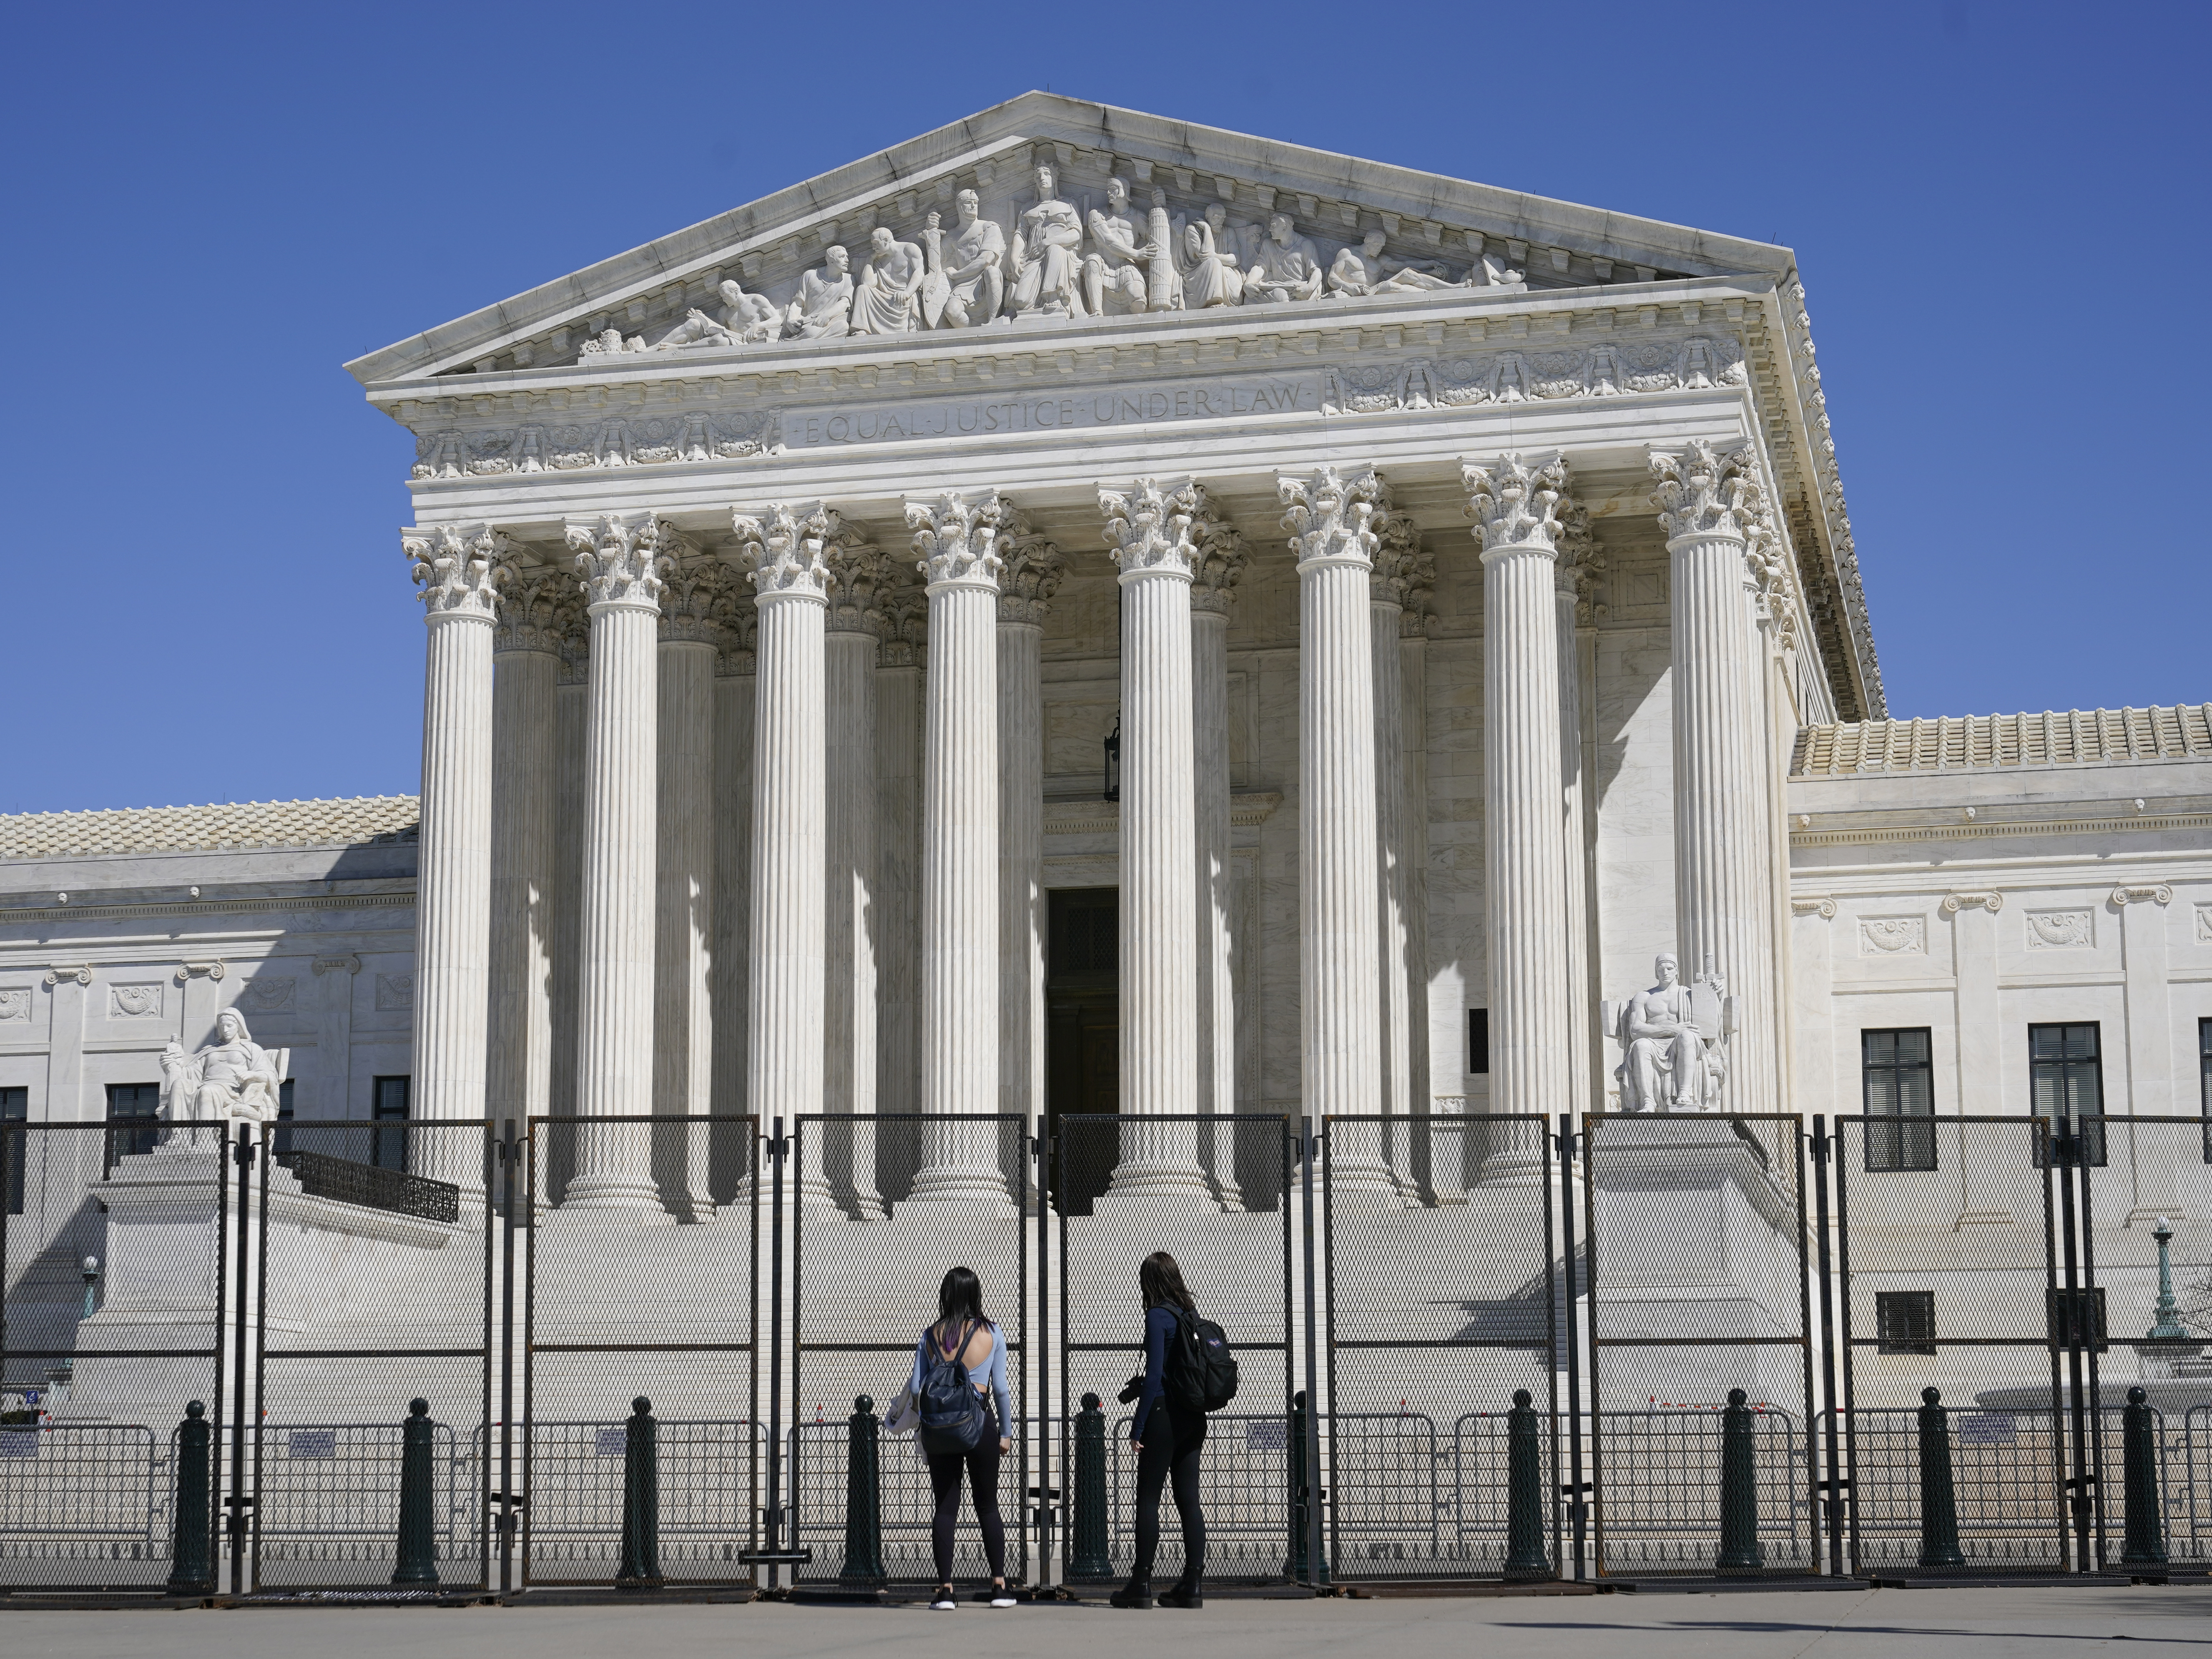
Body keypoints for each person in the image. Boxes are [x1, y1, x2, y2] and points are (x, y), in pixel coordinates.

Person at [909, 1265, 1015, 1609]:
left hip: (940, 1428)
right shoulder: (991, 1332)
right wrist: (1006, 1433)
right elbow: (1001, 1389)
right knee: (987, 1504)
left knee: (945, 1506)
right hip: (980, 1423)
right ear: (974, 1293)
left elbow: (916, 1389)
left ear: (946, 1294)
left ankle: (945, 1590)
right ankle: (999, 1586)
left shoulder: (930, 1335)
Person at [1114, 1250, 1208, 1610]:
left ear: (1149, 1282)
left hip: (1164, 1413)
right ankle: (1193, 1584)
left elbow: (1155, 1376)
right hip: (1193, 1415)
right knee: (1189, 1500)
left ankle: (1140, 1583)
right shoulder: (1189, 1313)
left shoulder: (1157, 1315)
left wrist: (1137, 1426)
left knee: (1149, 1498)